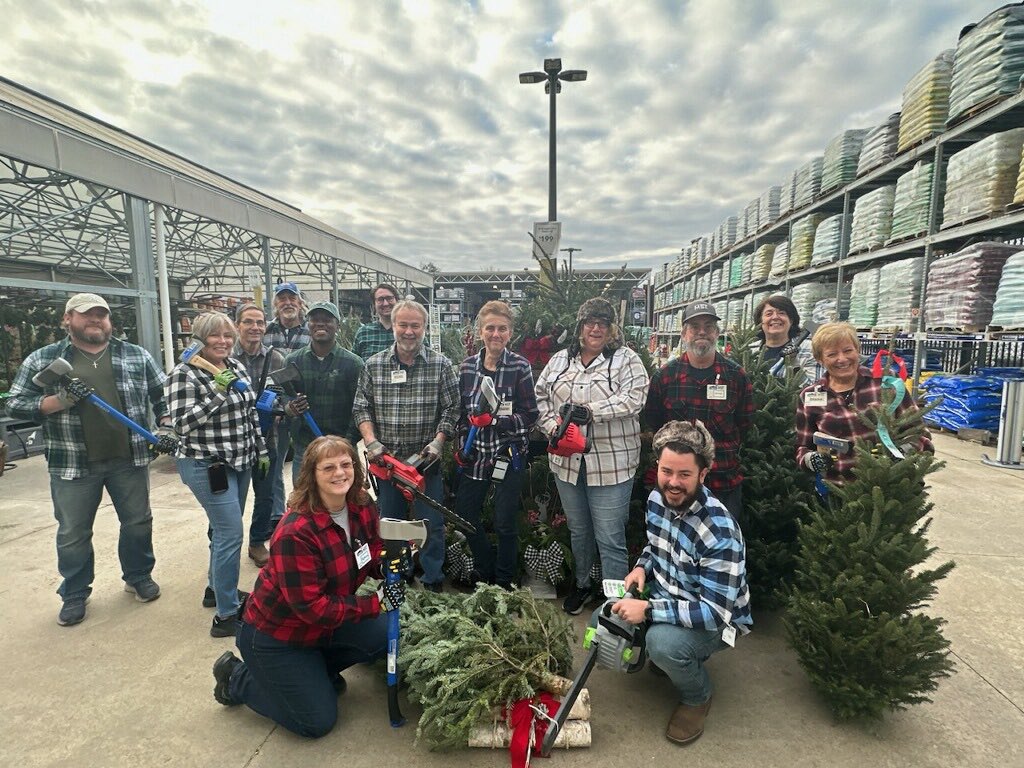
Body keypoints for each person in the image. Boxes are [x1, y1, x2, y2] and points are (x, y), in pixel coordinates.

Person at [210, 436, 396, 738]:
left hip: (320, 628)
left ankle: (315, 675)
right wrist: (375, 603)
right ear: (311, 475)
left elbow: (370, 550)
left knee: (382, 631)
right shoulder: (296, 531)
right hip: (277, 636)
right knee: (317, 722)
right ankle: (237, 677)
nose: (340, 473)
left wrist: (389, 563)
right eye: (329, 467)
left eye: (346, 464)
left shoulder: (361, 505)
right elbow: (313, 608)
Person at [7, 292, 167, 626]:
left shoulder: (135, 355)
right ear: (68, 319)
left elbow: (163, 396)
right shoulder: (44, 359)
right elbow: (15, 403)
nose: (95, 320)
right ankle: (75, 592)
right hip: (72, 464)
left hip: (130, 457)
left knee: (138, 522)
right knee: (73, 533)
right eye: (86, 315)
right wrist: (58, 401)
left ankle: (138, 575)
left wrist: (167, 427)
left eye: (101, 315)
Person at [611, 419, 751, 746]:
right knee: (606, 619)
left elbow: (714, 613)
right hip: (666, 592)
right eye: (666, 471)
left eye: (684, 475)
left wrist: (647, 609)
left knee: (664, 644)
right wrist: (641, 567)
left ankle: (697, 696)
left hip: (715, 619)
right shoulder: (657, 500)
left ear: (703, 475)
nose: (673, 483)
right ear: (657, 467)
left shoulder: (719, 532)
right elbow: (654, 545)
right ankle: (667, 656)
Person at [535, 297, 650, 615]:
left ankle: (615, 600)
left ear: (612, 329)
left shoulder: (628, 360)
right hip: (566, 463)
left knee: (610, 536)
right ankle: (583, 584)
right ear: (580, 327)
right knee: (579, 529)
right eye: (590, 322)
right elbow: (539, 395)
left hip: (612, 464)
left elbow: (634, 399)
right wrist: (552, 428)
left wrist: (589, 413)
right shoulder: (559, 360)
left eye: (603, 322)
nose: (596, 328)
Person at [165, 311, 268, 638]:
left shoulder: (235, 367)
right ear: (199, 339)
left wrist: (261, 448)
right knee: (230, 534)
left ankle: (216, 589)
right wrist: (216, 392)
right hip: (205, 464)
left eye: (227, 336)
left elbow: (249, 413)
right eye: (215, 336)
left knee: (223, 531)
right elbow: (182, 425)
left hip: (239, 462)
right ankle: (226, 615)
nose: (223, 342)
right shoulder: (184, 374)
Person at [353, 299, 459, 592]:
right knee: (391, 523)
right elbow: (362, 408)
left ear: (424, 328)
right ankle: (397, 575)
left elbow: (452, 409)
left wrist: (438, 443)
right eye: (404, 324)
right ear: (394, 326)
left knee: (431, 524)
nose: (409, 331)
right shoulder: (374, 365)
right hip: (388, 463)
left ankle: (433, 579)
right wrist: (371, 441)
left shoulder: (441, 365)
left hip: (427, 464)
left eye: (415, 325)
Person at [453, 300, 539, 589]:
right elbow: (459, 415)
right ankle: (484, 566)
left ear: (510, 333)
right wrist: (460, 443)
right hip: (475, 455)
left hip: (506, 454)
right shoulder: (466, 368)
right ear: (480, 332)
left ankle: (503, 580)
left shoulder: (519, 366)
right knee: (466, 515)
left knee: (504, 522)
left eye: (502, 329)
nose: (495, 334)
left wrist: (495, 422)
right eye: (490, 328)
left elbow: (530, 416)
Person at [644, 301, 753, 520]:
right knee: (672, 546)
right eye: (694, 327)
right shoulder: (665, 377)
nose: (702, 332)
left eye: (708, 326)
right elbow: (654, 423)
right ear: (684, 334)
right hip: (677, 485)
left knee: (722, 547)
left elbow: (745, 423)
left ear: (717, 333)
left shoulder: (736, 376)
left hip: (723, 480)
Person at [795, 321, 933, 481]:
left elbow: (920, 435)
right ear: (820, 360)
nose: (842, 359)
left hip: (890, 489)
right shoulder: (809, 396)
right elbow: (802, 446)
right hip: (838, 491)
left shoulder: (886, 384)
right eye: (832, 354)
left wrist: (901, 453)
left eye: (848, 350)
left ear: (858, 351)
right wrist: (810, 460)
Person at [281, 301, 364, 485]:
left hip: (342, 449)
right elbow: (283, 397)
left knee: (346, 503)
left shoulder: (353, 364)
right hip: (305, 448)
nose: (320, 323)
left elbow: (360, 408)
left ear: (337, 326)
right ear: (307, 325)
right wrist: (290, 407)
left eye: (327, 320)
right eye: (314, 319)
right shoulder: (292, 361)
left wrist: (347, 442)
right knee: (304, 505)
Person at [233, 303, 286, 567]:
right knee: (232, 498)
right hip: (234, 442)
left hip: (267, 440)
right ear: (237, 326)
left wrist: (279, 409)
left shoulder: (274, 358)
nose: (255, 328)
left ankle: (256, 542)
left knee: (265, 494)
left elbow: (282, 393)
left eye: (260, 322)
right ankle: (224, 543)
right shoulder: (224, 358)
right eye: (248, 322)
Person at [262, 281, 309, 508]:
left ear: (300, 302)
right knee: (275, 462)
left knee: (304, 460)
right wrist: (276, 404)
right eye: (282, 299)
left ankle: (302, 509)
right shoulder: (266, 331)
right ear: (275, 304)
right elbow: (265, 372)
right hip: (276, 407)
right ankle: (278, 514)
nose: (288, 303)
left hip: (303, 405)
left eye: (292, 298)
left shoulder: (312, 330)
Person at [752, 294, 820, 381]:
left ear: (791, 320)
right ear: (760, 322)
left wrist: (794, 364)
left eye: (782, 313)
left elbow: (814, 389)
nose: (775, 317)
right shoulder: (749, 351)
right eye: (769, 314)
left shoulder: (810, 350)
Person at [353, 283, 399, 360]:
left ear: (397, 301)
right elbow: (355, 365)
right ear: (374, 304)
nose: (385, 303)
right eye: (380, 299)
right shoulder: (363, 333)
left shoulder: (409, 331)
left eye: (389, 298)